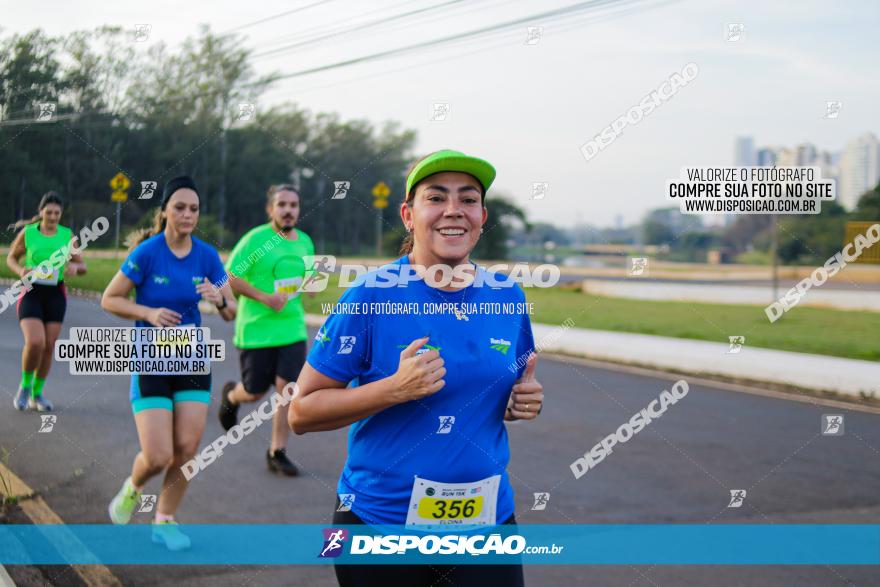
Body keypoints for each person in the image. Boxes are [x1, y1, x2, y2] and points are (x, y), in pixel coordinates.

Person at [290, 150, 544, 586]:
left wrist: (520, 401)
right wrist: (392, 389)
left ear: (482, 216)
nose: (453, 211)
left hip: (487, 527)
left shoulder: (507, 295)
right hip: (380, 529)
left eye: (467, 199)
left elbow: (489, 396)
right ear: (408, 215)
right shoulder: (370, 295)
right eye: (436, 197)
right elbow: (301, 413)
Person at [101, 176, 236, 551]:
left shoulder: (208, 256)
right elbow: (110, 298)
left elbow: (232, 310)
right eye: (180, 207)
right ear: (165, 212)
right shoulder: (147, 253)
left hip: (191, 356)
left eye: (194, 208)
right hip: (151, 356)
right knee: (159, 455)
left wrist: (220, 299)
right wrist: (147, 310)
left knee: (188, 448)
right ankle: (132, 488)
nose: (188, 214)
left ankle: (164, 520)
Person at [218, 184, 315, 476]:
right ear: (270, 209)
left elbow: (307, 276)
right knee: (255, 391)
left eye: (294, 205)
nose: (288, 210)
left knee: (287, 390)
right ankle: (233, 396)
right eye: (282, 204)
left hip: (292, 328)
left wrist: (310, 285)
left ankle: (277, 451)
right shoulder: (256, 239)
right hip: (256, 330)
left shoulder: (305, 242)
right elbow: (230, 276)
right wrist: (264, 298)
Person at [7, 192, 86, 411]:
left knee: (49, 346)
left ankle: (37, 394)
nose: (52, 216)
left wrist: (74, 268)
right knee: (35, 342)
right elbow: (11, 258)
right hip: (31, 290)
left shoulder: (67, 235)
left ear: (61, 214)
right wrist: (20, 269)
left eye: (57, 213)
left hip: (55, 294)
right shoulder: (29, 233)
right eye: (48, 212)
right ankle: (24, 387)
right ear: (41, 212)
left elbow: (83, 266)